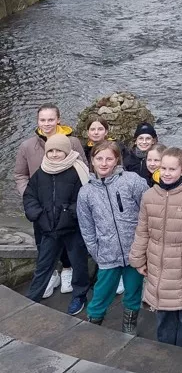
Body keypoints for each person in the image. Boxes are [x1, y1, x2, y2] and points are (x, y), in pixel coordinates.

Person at [129, 147, 182, 350]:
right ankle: (166, 355)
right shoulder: (150, 196)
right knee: (164, 317)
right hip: (158, 266)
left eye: (172, 169)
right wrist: (138, 259)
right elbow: (142, 231)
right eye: (163, 168)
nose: (166, 173)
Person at [15, 103, 87, 298]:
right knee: (44, 251)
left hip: (67, 215)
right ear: (38, 121)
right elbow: (21, 175)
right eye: (42, 120)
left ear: (58, 120)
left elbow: (84, 177)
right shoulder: (28, 146)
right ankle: (49, 278)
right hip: (43, 210)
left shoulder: (72, 143)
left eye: (50, 119)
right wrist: (34, 208)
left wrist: (70, 212)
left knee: (74, 254)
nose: (46, 123)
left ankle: (68, 273)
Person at [76, 141, 148, 332]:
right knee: (102, 292)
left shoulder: (132, 181)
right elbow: (87, 227)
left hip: (134, 251)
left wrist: (144, 245)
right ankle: (94, 324)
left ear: (117, 159)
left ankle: (129, 326)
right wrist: (96, 251)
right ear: (92, 161)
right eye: (99, 158)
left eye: (109, 158)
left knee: (133, 291)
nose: (104, 163)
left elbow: (147, 212)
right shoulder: (86, 192)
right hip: (107, 252)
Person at [22, 134, 91, 315]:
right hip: (48, 228)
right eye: (50, 150)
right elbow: (30, 196)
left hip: (72, 228)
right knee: (43, 265)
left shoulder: (77, 172)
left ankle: (79, 296)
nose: (54, 154)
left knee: (79, 264)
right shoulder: (41, 173)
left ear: (66, 151)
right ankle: (33, 297)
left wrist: (68, 214)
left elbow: (84, 198)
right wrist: (38, 215)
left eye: (58, 150)